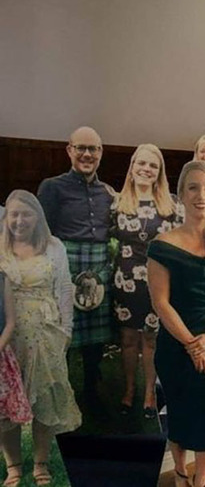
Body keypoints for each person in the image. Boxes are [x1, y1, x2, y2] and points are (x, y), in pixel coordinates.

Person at [146, 161, 205, 487]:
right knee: (179, 411)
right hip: (175, 344)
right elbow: (161, 303)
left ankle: (199, 482)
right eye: (194, 187)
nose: (202, 195)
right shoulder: (162, 246)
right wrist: (190, 343)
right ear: (182, 195)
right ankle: (180, 472)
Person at [0, 191, 82, 487]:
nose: (19, 221)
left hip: (46, 335)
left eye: (26, 214)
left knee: (45, 401)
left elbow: (64, 288)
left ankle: (41, 462)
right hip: (7, 341)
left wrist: (67, 332)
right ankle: (13, 466)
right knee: (5, 404)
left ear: (38, 216)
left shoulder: (53, 247)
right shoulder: (0, 248)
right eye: (14, 214)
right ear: (6, 217)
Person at [37, 126, 115, 409]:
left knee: (95, 340)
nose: (87, 154)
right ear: (69, 150)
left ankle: (92, 387)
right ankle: (62, 389)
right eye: (80, 148)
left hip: (98, 265)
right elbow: (42, 234)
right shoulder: (52, 186)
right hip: (64, 263)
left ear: (100, 153)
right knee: (63, 333)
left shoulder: (107, 192)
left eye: (93, 149)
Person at [111, 144, 182, 420]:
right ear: (132, 166)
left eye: (153, 165)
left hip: (159, 281)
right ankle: (129, 390)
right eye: (142, 163)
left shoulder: (172, 205)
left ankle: (150, 393)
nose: (146, 169)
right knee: (128, 339)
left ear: (159, 172)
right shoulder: (117, 203)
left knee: (151, 339)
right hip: (126, 280)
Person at [0, 269, 35, 487]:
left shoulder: (2, 279)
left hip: (0, 355)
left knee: (5, 418)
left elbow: (10, 322)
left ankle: (14, 466)